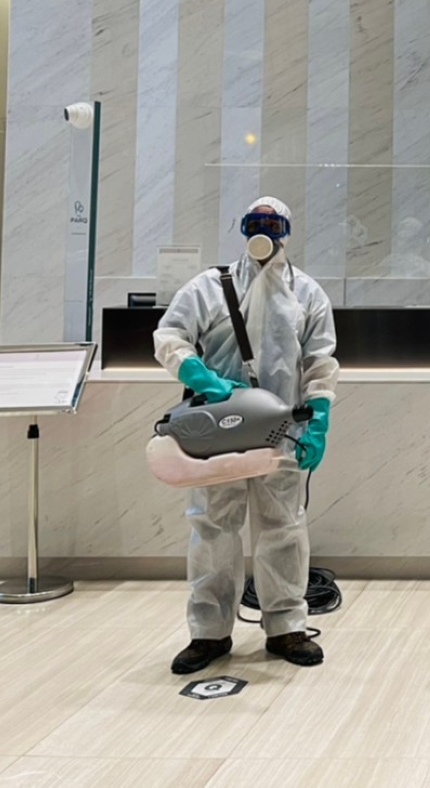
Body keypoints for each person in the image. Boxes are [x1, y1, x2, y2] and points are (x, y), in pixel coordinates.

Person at [153, 197, 339, 675]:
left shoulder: (307, 293)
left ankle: (286, 627)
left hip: (282, 431)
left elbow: (320, 361)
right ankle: (209, 632)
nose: (263, 231)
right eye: (254, 223)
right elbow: (169, 336)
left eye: (272, 224)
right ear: (241, 229)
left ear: (286, 232)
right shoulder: (210, 287)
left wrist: (318, 418)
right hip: (218, 430)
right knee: (212, 528)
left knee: (284, 528)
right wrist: (200, 376)